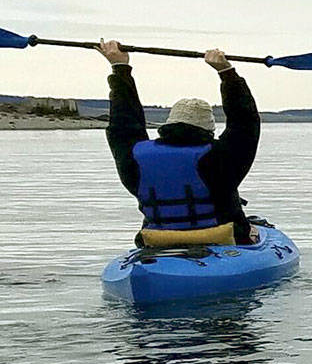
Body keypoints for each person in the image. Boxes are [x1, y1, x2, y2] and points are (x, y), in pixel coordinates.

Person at [98, 39, 262, 246]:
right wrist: (226, 72)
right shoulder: (222, 156)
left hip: (157, 243)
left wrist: (120, 68)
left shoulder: (135, 154)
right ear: (209, 130)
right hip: (225, 241)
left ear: (169, 125)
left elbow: (124, 121)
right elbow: (245, 121)